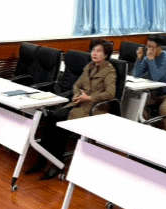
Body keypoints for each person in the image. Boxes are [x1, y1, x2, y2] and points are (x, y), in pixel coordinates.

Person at [28, 40, 116, 180]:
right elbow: (76, 85)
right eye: (93, 50)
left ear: (106, 55)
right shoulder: (89, 67)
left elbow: (110, 94)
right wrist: (77, 95)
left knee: (60, 125)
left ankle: (57, 165)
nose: (95, 53)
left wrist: (89, 97)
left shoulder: (109, 71)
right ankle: (41, 161)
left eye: (99, 51)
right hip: (79, 104)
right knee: (51, 118)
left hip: (94, 109)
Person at [134, 35, 166, 132]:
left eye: (151, 47)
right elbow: (137, 74)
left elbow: (155, 77)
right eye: (147, 46)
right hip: (155, 94)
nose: (148, 50)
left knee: (164, 109)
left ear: (159, 48)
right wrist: (139, 59)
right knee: (137, 104)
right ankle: (151, 128)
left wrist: (151, 60)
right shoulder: (147, 58)